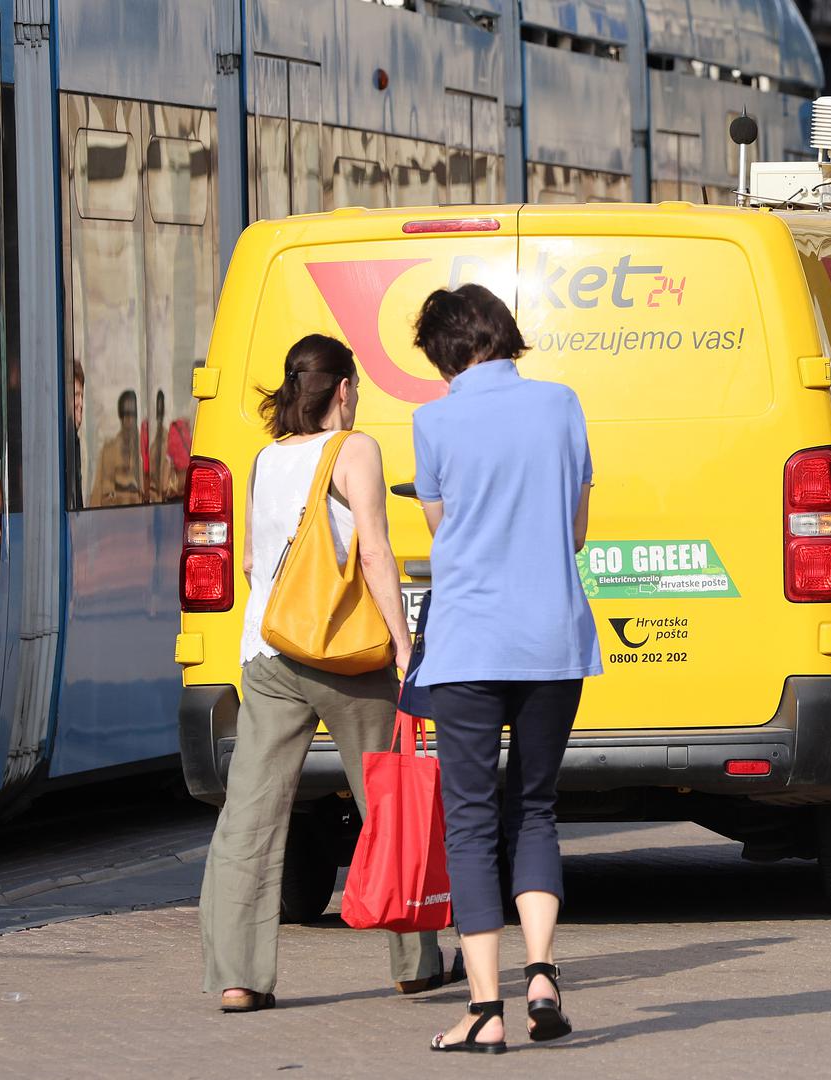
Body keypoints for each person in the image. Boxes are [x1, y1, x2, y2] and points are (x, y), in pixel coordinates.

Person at [199, 334, 461, 1012]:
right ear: (343, 388)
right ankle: (415, 962)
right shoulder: (355, 450)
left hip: (271, 654)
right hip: (349, 661)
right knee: (389, 805)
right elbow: (374, 552)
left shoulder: (263, 460)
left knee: (251, 817)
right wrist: (404, 646)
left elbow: (255, 564)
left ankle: (238, 977)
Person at [411, 284, 600, 1054]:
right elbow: (579, 529)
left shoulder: (432, 421)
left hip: (469, 644)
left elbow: (440, 531)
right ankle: (544, 975)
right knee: (535, 805)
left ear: (448, 350)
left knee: (470, 818)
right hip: (553, 639)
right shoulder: (560, 405)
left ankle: (485, 1008)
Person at [88, 388, 144, 507]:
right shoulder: (109, 451)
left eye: (133, 414)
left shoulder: (139, 452)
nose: (129, 420)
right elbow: (99, 495)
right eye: (126, 414)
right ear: (121, 417)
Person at [71, 360, 86, 508]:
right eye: (76, 395)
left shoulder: (73, 439)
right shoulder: (64, 443)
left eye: (82, 395)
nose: (80, 403)